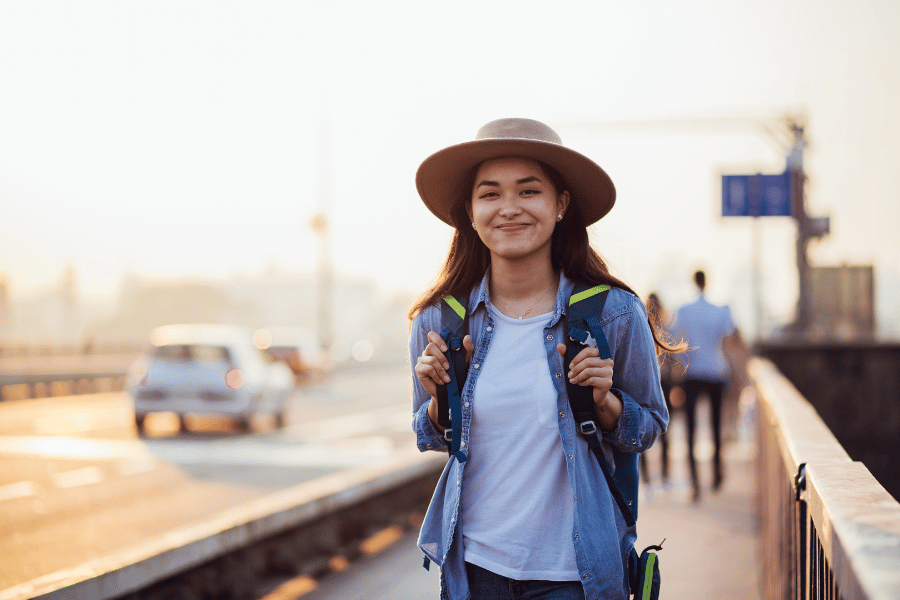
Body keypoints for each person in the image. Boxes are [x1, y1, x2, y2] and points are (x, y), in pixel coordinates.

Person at [409, 118, 678, 600]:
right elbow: (429, 436)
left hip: (576, 577)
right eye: (489, 194)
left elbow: (651, 427)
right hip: (474, 573)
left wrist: (605, 402)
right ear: (470, 212)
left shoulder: (614, 314)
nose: (508, 209)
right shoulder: (439, 321)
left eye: (528, 191)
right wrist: (437, 402)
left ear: (560, 205)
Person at [672, 270, 741, 502]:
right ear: (707, 281)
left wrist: (680, 366)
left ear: (694, 282)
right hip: (715, 372)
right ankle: (717, 474)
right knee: (715, 426)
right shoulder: (720, 310)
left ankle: (694, 483)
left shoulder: (683, 311)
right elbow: (730, 339)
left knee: (690, 429)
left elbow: (676, 343)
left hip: (691, 373)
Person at [639, 293, 676, 489]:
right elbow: (672, 363)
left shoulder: (640, 326)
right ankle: (663, 477)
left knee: (643, 430)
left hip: (646, 384)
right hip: (664, 384)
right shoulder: (665, 329)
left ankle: (648, 479)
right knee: (664, 433)